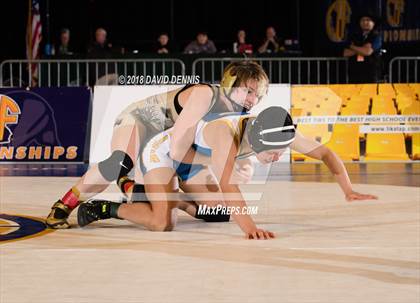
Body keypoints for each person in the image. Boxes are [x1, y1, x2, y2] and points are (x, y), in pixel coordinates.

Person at [77, 106, 377, 239]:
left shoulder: (277, 132)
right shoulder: (225, 136)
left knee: (219, 213)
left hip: (193, 160)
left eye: (282, 151)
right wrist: (250, 228)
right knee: (162, 224)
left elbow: (325, 152)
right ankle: (103, 207)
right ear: (257, 141)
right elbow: (228, 183)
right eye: (273, 152)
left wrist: (347, 189)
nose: (277, 157)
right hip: (165, 153)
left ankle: (174, 198)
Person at [45, 61, 269, 229]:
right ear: (231, 84)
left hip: (172, 150)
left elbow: (214, 151)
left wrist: (242, 163)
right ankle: (65, 203)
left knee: (218, 212)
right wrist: (219, 161)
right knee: (119, 163)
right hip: (143, 124)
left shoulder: (236, 115)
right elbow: (176, 148)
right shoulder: (205, 94)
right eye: (248, 91)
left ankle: (139, 190)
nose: (252, 100)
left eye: (257, 95)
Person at [343, 13, 382, 83]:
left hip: (371, 72)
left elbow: (367, 52)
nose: (365, 22)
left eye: (368, 20)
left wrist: (352, 47)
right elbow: (345, 53)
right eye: (362, 20)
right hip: (355, 72)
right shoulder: (354, 36)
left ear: (373, 23)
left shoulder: (376, 37)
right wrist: (361, 49)